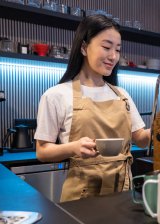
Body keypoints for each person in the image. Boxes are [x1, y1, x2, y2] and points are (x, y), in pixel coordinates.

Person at [34, 14, 151, 202]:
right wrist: (74, 147)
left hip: (123, 193)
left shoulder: (122, 95)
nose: (113, 56)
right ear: (83, 47)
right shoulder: (56, 95)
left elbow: (142, 140)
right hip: (82, 197)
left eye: (118, 49)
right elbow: (42, 151)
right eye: (106, 47)